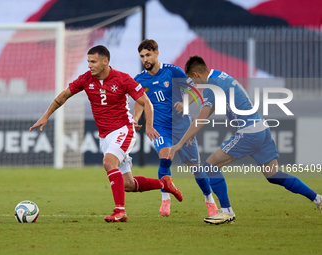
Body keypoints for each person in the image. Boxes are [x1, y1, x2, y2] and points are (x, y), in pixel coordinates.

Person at [29, 45, 183, 223]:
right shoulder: (86, 79)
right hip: (105, 135)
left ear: (105, 61)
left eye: (93, 62)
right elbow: (64, 96)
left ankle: (120, 211)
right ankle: (164, 183)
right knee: (128, 185)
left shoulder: (122, 79)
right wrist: (45, 116)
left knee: (109, 163)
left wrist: (148, 124)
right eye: (88, 62)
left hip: (124, 129)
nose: (89, 65)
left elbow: (145, 102)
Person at [169, 55, 322, 224]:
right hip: (262, 128)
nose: (195, 85)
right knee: (273, 175)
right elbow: (207, 112)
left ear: (196, 75)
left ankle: (227, 212)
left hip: (249, 132)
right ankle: (318, 199)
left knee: (210, 166)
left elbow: (202, 115)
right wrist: (193, 133)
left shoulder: (212, 85)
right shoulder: (221, 76)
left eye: (192, 80)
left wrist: (180, 143)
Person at [134, 39, 231, 218]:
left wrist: (184, 102)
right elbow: (140, 101)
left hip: (181, 126)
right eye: (142, 56)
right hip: (159, 127)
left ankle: (209, 199)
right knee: (165, 155)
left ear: (156, 53)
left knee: (195, 167)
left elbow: (194, 89)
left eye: (148, 55)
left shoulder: (172, 71)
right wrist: (135, 118)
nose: (145, 59)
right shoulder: (140, 79)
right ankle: (165, 197)